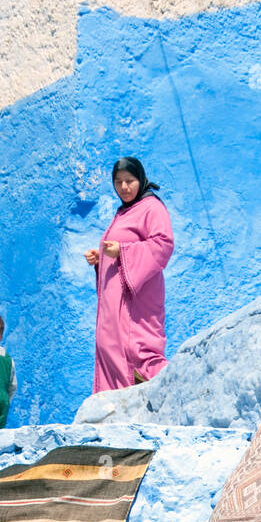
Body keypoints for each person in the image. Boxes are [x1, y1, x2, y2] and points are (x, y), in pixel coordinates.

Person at [85, 157, 174, 392]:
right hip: (115, 305)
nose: (124, 187)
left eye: (130, 181)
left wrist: (123, 252)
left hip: (136, 304)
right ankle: (115, 409)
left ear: (141, 179)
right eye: (118, 182)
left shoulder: (152, 207)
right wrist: (101, 257)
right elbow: (119, 246)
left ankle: (164, 397)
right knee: (111, 348)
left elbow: (163, 244)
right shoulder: (124, 212)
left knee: (138, 351)